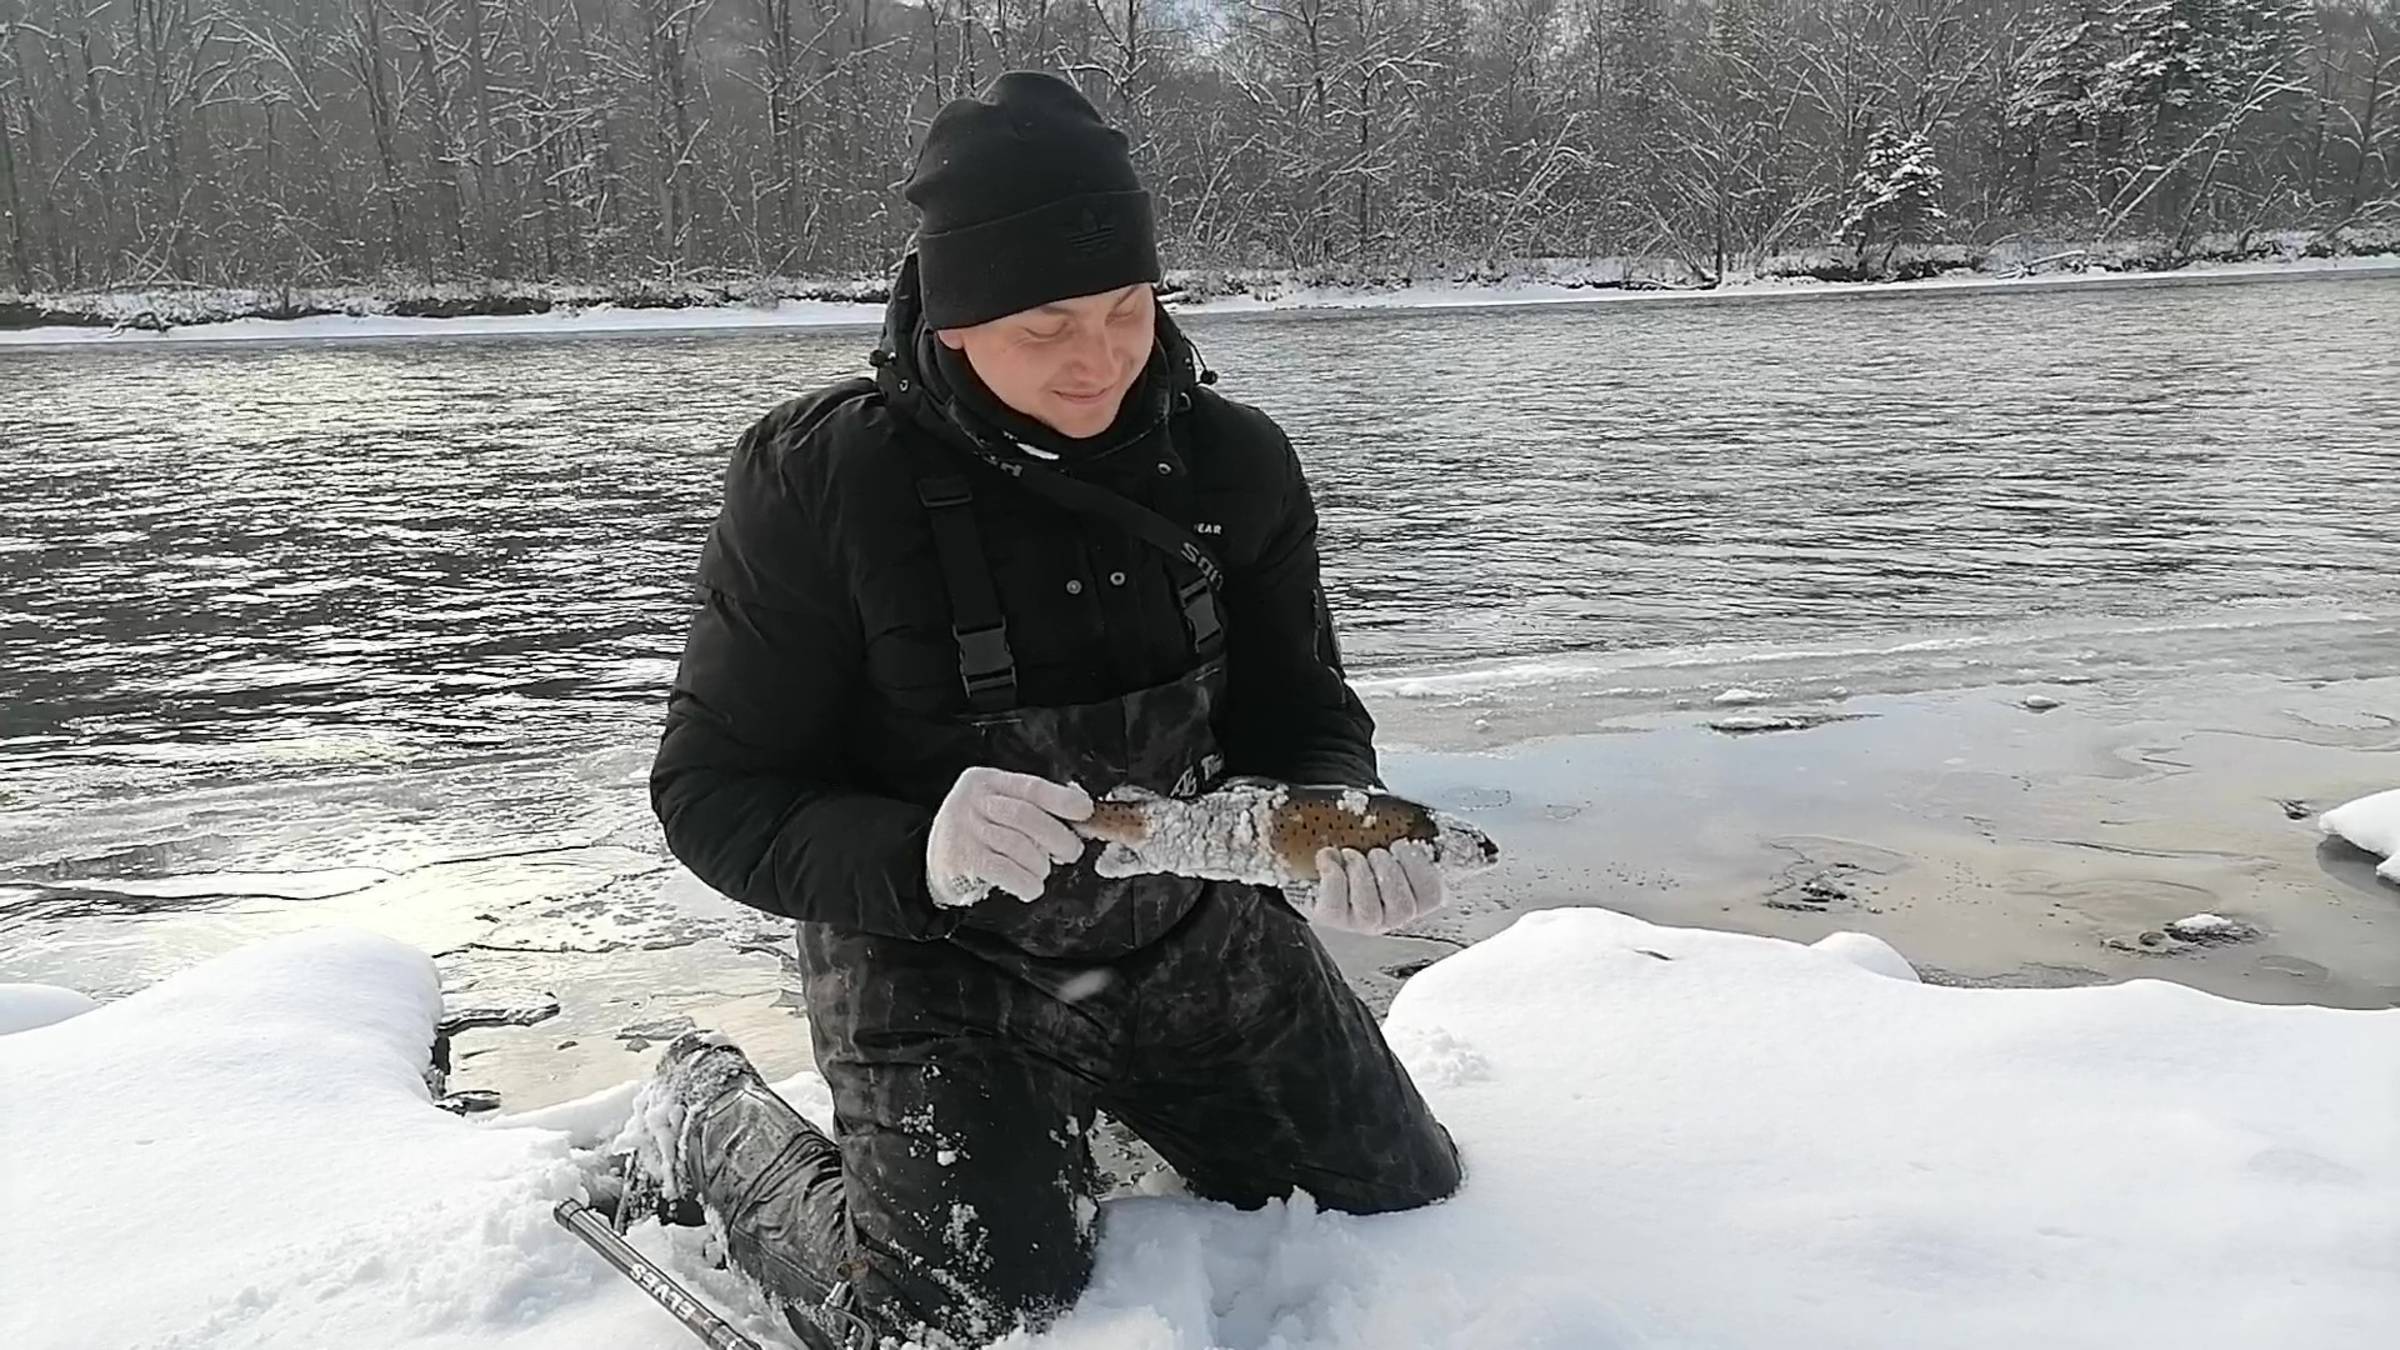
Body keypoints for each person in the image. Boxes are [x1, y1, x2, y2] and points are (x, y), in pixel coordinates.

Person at [634, 71, 1462, 1350]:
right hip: (937, 961)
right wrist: (918, 851)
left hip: (1191, 928)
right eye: (1046, 325)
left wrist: (1324, 824)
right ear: (956, 320)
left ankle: (1120, 1097)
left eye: (1129, 307)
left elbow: (1303, 709)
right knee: (946, 1323)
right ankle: (704, 1114)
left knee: (1403, 1193)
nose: (1100, 359)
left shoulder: (1236, 460)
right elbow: (710, 796)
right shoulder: (815, 481)